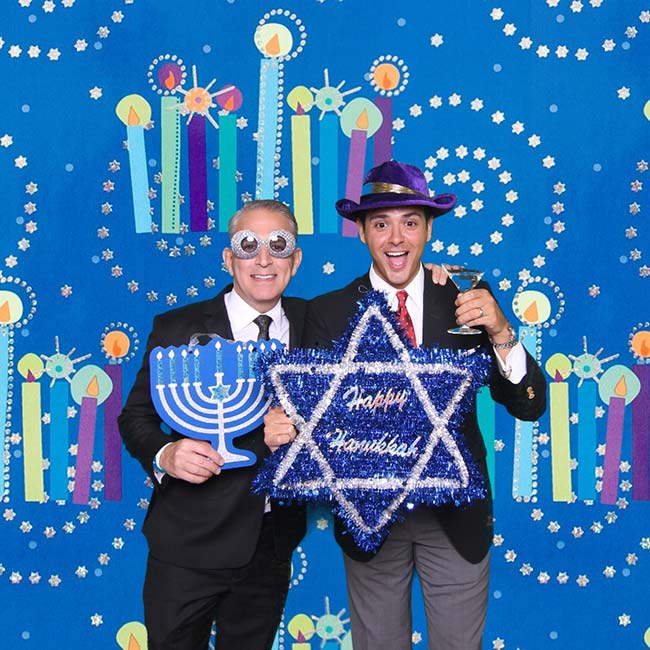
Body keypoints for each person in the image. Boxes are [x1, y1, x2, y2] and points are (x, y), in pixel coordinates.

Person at [264, 160, 547, 650]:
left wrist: (501, 330)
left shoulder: (466, 299)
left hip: (455, 517)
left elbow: (529, 406)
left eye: (410, 223)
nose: (396, 238)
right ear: (361, 233)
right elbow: (313, 423)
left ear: (428, 229)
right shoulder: (327, 313)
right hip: (370, 521)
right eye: (381, 224)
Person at [118, 200, 307, 650]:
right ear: (228, 258)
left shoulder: (314, 322)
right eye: (248, 245)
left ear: (296, 260)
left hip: (269, 544)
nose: (264, 259)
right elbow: (136, 417)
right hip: (189, 540)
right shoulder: (177, 328)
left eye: (279, 245)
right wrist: (166, 453)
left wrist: (436, 278)